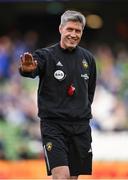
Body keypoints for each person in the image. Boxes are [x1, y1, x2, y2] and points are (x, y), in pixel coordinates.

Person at [19, 10, 97, 180]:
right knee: (61, 176)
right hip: (54, 127)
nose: (73, 34)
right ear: (61, 29)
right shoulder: (45, 56)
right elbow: (30, 69)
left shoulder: (88, 59)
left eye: (78, 31)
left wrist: (80, 111)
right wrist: (26, 69)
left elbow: (89, 92)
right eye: (70, 29)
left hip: (81, 127)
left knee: (72, 178)